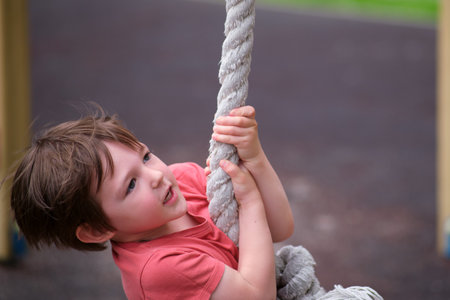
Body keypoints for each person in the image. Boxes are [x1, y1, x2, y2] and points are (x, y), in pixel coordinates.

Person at [9, 105, 294, 299]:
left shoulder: (182, 180)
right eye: (131, 185)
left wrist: (254, 160)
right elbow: (258, 296)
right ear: (97, 230)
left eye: (145, 156)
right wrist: (250, 202)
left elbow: (279, 227)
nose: (156, 175)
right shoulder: (159, 268)